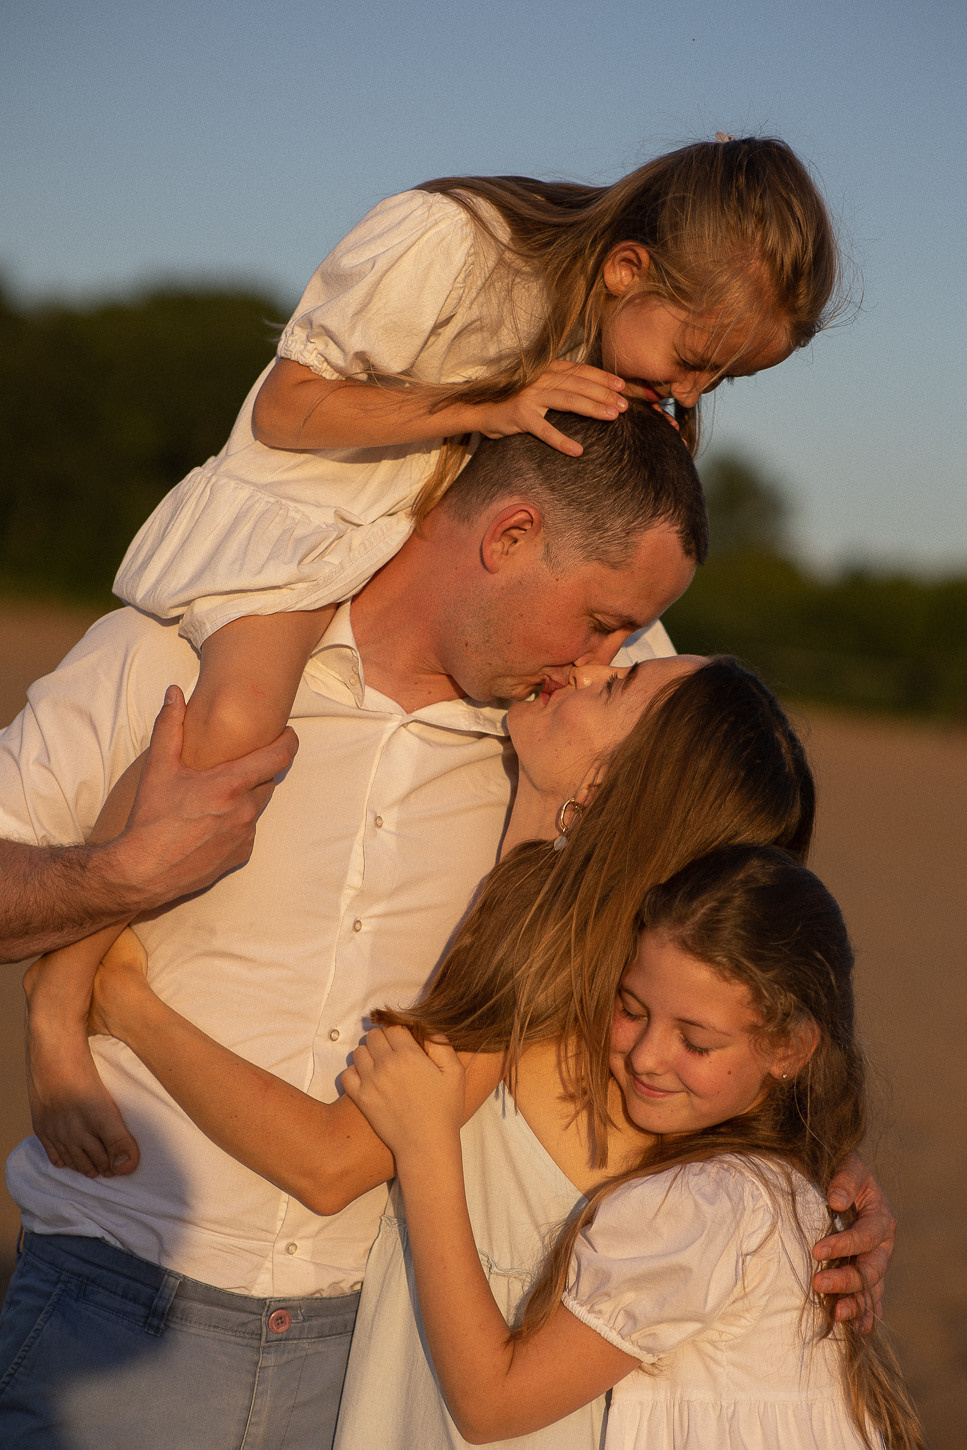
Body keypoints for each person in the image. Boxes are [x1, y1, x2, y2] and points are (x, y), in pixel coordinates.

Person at [25, 136, 845, 1179]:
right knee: (232, 727)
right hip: (314, 507)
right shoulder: (454, 243)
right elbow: (287, 408)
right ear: (627, 268)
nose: (693, 390)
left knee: (664, 741)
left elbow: (694, 788)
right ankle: (60, 1004)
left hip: (446, 516)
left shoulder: (615, 386)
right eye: (695, 357)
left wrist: (808, 1155)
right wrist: (490, 408)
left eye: (723, 375)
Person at [0, 405, 711, 1450]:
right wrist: (114, 874)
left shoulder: (565, 761)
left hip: (376, 1360)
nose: (608, 656)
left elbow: (723, 978)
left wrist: (811, 1183)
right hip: (111, 1320)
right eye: (602, 620)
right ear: (508, 536)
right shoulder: (173, 653)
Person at [79, 656, 892, 1450]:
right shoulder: (633, 1003)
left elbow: (329, 1160)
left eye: (613, 684)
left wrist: (123, 1004)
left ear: (618, 786)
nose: (577, 669)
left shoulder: (549, 993)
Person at [343, 846, 924, 1449]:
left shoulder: (706, 1202)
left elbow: (491, 1405)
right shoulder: (788, 1187)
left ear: (789, 1049)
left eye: (695, 1043)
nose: (647, 1056)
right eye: (631, 1009)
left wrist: (426, 1145)